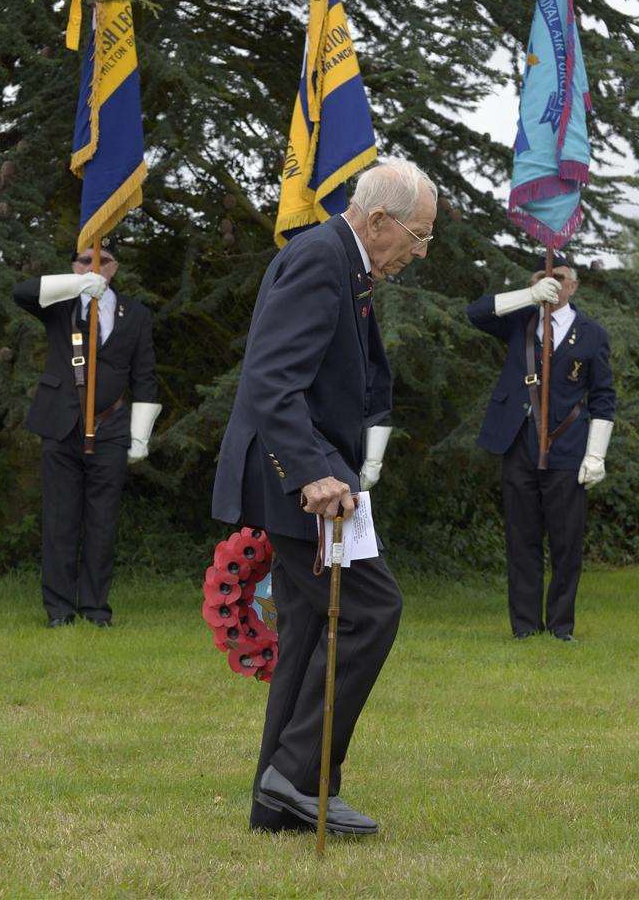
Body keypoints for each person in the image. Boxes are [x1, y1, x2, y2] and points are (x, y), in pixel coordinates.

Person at [212, 158, 438, 835]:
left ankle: (275, 801)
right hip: (297, 483)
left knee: (311, 626)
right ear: (377, 222)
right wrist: (311, 470)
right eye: (418, 235)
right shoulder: (319, 260)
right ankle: (298, 774)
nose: (420, 252)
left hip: (308, 476)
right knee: (373, 609)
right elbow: (270, 379)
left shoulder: (343, 262)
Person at [467, 254, 615, 642]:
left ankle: (562, 626)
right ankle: (525, 627)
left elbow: (603, 398)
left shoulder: (593, 334)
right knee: (521, 538)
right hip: (519, 443)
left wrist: (595, 455)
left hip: (567, 448)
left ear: (573, 285)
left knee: (567, 543)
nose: (552, 283)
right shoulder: (521, 320)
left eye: (559, 277)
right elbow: (477, 313)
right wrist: (528, 295)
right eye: (543, 277)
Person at [13, 243, 162, 628]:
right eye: (83, 260)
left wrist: (140, 435)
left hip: (111, 428)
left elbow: (144, 376)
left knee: (102, 522)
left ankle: (95, 608)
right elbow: (22, 292)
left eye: (101, 261)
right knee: (61, 520)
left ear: (115, 268)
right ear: (74, 265)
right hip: (61, 425)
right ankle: (59, 610)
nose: (92, 265)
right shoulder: (61, 305)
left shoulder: (136, 314)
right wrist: (75, 284)